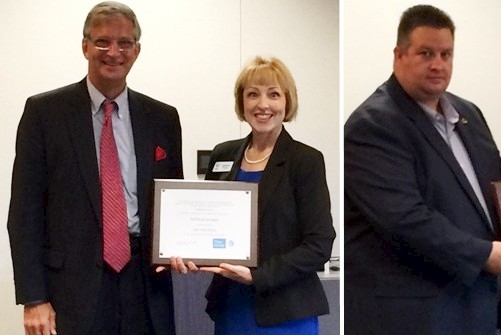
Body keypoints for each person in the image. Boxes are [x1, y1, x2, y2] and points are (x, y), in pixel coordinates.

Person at [344, 4, 501, 335]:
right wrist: (483, 254)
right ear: (398, 55)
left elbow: (492, 185)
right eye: (426, 53)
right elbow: (403, 218)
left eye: (446, 54)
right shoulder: (373, 125)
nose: (438, 65)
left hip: (477, 306)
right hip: (413, 315)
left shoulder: (468, 113)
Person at [7, 2, 183, 334]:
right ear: (85, 46)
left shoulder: (163, 119)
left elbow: (171, 206)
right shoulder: (44, 113)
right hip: (71, 288)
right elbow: (24, 214)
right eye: (102, 41)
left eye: (124, 43)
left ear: (137, 50)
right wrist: (34, 298)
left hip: (145, 286)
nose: (113, 52)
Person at [172, 56, 335, 334]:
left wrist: (257, 276)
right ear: (242, 103)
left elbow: (319, 245)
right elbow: (208, 225)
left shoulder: (305, 160)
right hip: (231, 307)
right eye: (252, 94)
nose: (263, 105)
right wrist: (186, 253)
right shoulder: (223, 154)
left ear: (287, 101)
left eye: (273, 94)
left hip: (285, 312)